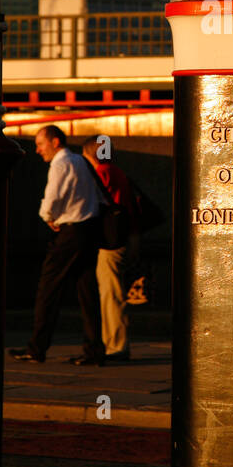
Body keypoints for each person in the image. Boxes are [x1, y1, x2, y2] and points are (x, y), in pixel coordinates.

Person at [9, 125, 105, 366]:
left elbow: (53, 196)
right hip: (88, 229)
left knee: (48, 289)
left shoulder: (61, 163)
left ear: (54, 142)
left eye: (40, 144)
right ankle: (94, 349)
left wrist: (47, 216)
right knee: (87, 292)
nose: (38, 151)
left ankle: (36, 348)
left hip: (70, 232)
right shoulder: (81, 161)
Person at [82, 138, 140, 362]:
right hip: (122, 237)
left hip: (109, 241)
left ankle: (115, 344)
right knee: (111, 292)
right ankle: (112, 341)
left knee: (110, 293)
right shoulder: (117, 171)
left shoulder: (104, 172)